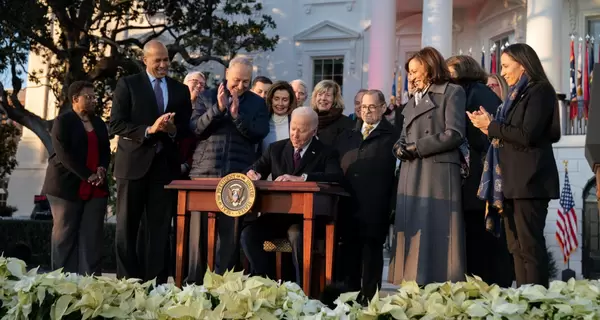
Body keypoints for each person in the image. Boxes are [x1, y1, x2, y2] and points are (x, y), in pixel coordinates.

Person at [468, 43, 561, 287]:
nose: (504, 71)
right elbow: (508, 134)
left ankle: (537, 303)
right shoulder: (514, 96)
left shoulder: (539, 91)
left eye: (506, 66)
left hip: (530, 182)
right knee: (515, 247)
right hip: (509, 182)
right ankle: (523, 298)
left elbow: (527, 134)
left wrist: (491, 126)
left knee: (529, 246)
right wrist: (488, 125)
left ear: (523, 64)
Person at [109, 40, 192, 283]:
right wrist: (149, 129)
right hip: (132, 166)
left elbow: (185, 129)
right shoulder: (128, 84)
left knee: (159, 231)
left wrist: (173, 129)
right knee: (126, 228)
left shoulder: (180, 90)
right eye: (158, 60)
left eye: (166, 60)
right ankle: (127, 284)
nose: (164, 64)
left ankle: (155, 287)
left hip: (165, 168)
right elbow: (116, 124)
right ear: (145, 60)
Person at [388, 47, 467, 285]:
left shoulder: (452, 92)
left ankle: (441, 288)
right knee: (413, 230)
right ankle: (413, 287)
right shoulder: (413, 100)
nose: (410, 77)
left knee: (438, 231)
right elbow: (404, 134)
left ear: (430, 66)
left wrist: (416, 148)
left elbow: (454, 134)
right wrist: (399, 147)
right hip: (412, 172)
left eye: (414, 71)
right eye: (409, 72)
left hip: (437, 173)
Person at [188, 56, 269, 281]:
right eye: (236, 81)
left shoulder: (257, 102)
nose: (240, 86)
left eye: (246, 81)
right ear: (226, 75)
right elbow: (195, 129)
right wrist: (218, 109)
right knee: (199, 237)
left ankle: (225, 287)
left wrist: (236, 116)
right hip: (205, 173)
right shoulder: (206, 96)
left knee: (229, 238)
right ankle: (193, 286)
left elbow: (259, 132)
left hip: (237, 176)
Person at [242, 106, 343, 284]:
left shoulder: (326, 152)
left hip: (308, 219)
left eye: (302, 130)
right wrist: (252, 173)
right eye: (293, 128)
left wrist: (303, 178)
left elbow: (335, 176)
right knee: (249, 234)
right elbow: (257, 167)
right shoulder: (276, 149)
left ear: (314, 131)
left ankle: (300, 288)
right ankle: (269, 283)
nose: (295, 135)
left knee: (296, 234)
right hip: (278, 216)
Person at [446, 55, 512, 287]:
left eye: (450, 73)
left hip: (478, 179)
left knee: (480, 241)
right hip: (480, 177)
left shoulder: (471, 93)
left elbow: (475, 135)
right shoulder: (475, 91)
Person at [42, 81, 110, 275]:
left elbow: (105, 150)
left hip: (96, 186)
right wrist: (87, 175)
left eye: (94, 97)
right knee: (64, 236)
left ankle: (89, 287)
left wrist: (102, 168)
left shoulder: (98, 123)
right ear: (75, 99)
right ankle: (62, 283)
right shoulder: (63, 121)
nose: (93, 100)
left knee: (92, 238)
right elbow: (63, 155)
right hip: (65, 186)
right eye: (88, 97)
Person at [336, 90, 398, 300]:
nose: (367, 111)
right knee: (350, 253)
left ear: (382, 108)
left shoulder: (393, 137)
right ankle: (351, 298)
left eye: (372, 107)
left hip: (376, 205)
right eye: (363, 107)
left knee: (372, 253)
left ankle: (371, 300)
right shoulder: (348, 135)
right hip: (349, 204)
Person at [258, 81, 298, 157]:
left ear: (290, 102)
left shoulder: (296, 121)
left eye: (285, 100)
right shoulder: (262, 119)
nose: (280, 103)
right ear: (271, 100)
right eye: (276, 99)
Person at [310, 80, 354, 146]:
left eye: (328, 95)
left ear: (335, 99)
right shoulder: (309, 120)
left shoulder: (346, 123)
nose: (323, 98)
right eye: (320, 94)